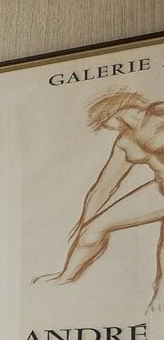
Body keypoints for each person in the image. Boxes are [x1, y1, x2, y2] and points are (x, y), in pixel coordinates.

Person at [34, 88, 164, 310]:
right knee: (92, 231)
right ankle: (64, 278)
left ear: (108, 113)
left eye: (102, 122)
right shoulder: (126, 141)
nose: (104, 127)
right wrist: (86, 222)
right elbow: (104, 187)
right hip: (160, 191)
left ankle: (160, 298)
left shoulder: (158, 113)